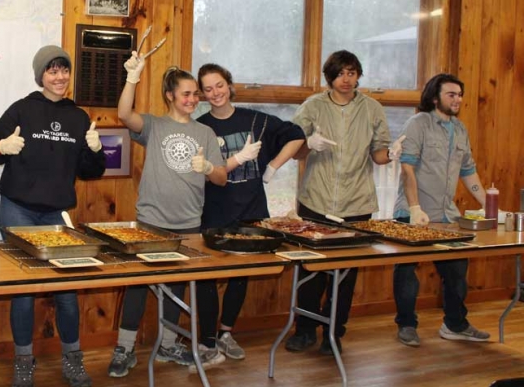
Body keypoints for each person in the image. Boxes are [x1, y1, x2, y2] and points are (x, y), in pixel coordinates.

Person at [0, 45, 105, 387]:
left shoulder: (78, 117)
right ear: (40, 75)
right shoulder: (22, 110)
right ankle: (23, 361)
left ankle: (73, 360)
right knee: (23, 289)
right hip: (17, 209)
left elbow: (92, 172)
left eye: (64, 70)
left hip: (56, 214)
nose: (60, 77)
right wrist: (0, 148)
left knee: (67, 289)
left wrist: (95, 150)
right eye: (52, 70)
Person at [107, 52, 227, 378]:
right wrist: (132, 77)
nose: (192, 99)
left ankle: (169, 344)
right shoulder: (154, 126)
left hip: (188, 224)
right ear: (170, 96)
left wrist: (209, 167)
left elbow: (221, 178)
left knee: (175, 287)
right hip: (150, 221)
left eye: (195, 94)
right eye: (186, 93)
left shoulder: (204, 133)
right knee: (137, 285)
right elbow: (123, 114)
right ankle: (125, 348)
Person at [284, 50, 401, 355]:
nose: (346, 80)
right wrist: (308, 144)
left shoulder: (372, 109)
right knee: (310, 272)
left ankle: (333, 334)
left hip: (356, 202)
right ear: (329, 78)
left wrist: (391, 154)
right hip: (316, 200)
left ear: (358, 74)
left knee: (346, 274)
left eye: (352, 73)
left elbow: (378, 154)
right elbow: (294, 151)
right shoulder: (313, 106)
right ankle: (305, 330)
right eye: (340, 74)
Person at [194, 63, 305, 368]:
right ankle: (207, 340)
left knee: (240, 277)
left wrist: (272, 167)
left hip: (251, 214)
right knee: (206, 278)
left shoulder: (257, 120)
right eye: (208, 88)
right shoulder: (201, 127)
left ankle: (226, 332)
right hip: (213, 213)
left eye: (219, 85)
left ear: (230, 85)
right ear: (202, 94)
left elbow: (297, 135)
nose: (215, 92)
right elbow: (197, 173)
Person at [391, 73, 491, 347]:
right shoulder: (418, 123)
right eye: (451, 94)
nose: (457, 99)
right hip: (413, 213)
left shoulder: (459, 129)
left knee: (457, 273)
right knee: (407, 273)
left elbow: (469, 173)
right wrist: (414, 207)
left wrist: (492, 207)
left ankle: (455, 324)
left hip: (447, 216)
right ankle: (407, 325)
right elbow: (407, 168)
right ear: (435, 97)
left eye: (459, 94)